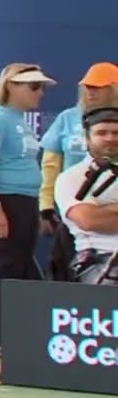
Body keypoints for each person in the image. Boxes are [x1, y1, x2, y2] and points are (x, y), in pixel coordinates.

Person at [0, 63, 55, 357]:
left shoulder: (19, 120)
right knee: (8, 266)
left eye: (41, 87)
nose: (41, 94)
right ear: (12, 87)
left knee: (22, 267)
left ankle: (20, 333)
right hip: (5, 199)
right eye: (34, 87)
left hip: (23, 199)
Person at [53, 106, 118, 285]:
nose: (110, 138)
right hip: (102, 260)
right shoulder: (72, 177)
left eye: (116, 132)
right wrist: (102, 214)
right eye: (101, 133)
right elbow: (89, 220)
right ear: (87, 139)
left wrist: (108, 209)